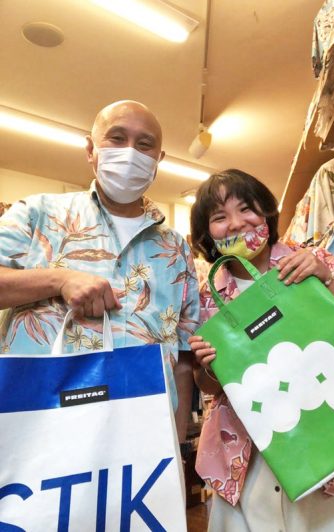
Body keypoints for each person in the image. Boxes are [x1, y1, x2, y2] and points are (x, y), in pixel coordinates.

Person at [189, 169, 334, 532]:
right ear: (207, 233)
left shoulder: (311, 261)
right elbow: (210, 387)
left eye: (246, 208)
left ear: (266, 211)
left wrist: (325, 277)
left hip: (331, 434)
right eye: (219, 217)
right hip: (249, 455)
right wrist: (208, 366)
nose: (236, 223)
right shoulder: (207, 297)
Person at [0, 99, 200, 443]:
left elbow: (182, 359)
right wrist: (58, 279)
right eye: (117, 138)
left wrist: (178, 446)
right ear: (91, 150)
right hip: (39, 431)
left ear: (158, 160)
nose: (130, 152)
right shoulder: (38, 214)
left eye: (145, 144)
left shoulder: (177, 248)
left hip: (142, 434)